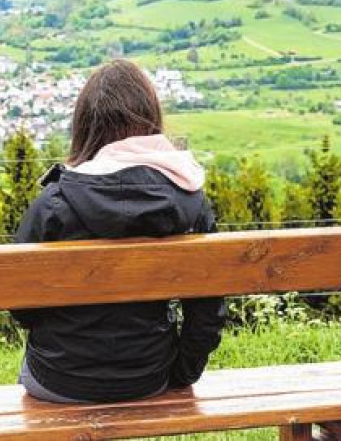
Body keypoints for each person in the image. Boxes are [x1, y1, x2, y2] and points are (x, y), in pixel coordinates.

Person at [12, 59, 226, 404]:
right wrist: (181, 372)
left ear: (86, 126)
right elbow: (208, 310)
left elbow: (20, 306)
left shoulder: (54, 203)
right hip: (149, 376)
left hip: (58, 380)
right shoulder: (189, 200)